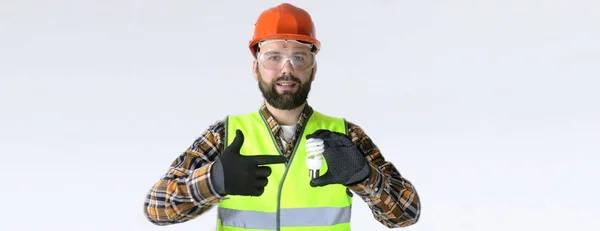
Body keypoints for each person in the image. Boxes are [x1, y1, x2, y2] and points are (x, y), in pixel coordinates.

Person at [143, 3, 421, 230]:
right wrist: (213, 181)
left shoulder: (345, 136)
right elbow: (157, 209)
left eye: (299, 58)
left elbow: (406, 214)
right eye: (273, 57)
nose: (286, 69)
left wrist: (364, 175)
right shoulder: (224, 135)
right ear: (256, 69)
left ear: (313, 70)